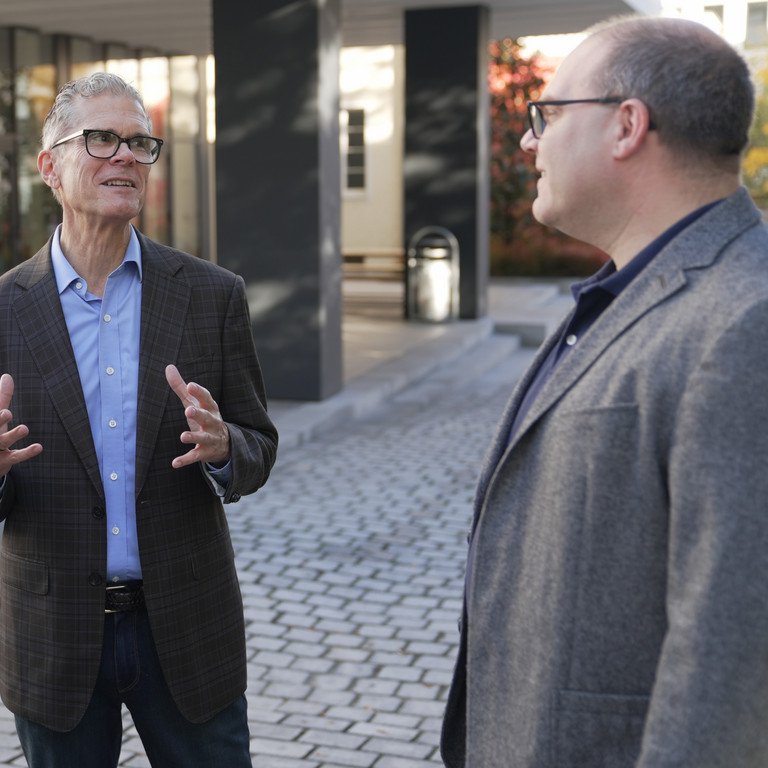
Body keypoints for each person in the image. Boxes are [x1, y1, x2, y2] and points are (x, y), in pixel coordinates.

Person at [441, 15, 768, 768]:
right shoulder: (627, 293)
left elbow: (733, 661)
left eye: (545, 116)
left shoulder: (744, 320)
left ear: (626, 125)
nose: (529, 142)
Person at [0, 72, 278, 767]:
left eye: (138, 142)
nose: (125, 155)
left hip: (186, 626)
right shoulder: (5, 309)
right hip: (54, 633)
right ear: (50, 169)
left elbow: (258, 448)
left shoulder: (211, 296)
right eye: (100, 139)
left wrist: (223, 449)